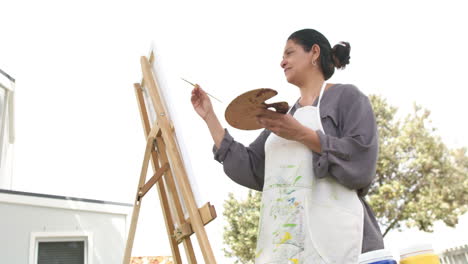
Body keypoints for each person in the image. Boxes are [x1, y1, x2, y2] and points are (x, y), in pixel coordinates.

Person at [191, 28, 384, 264]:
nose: (282, 62)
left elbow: (361, 163)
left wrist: (301, 134)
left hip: (348, 247)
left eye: (289, 53)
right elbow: (252, 168)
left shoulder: (347, 98)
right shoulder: (285, 118)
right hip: (295, 251)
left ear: (314, 53)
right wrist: (209, 116)